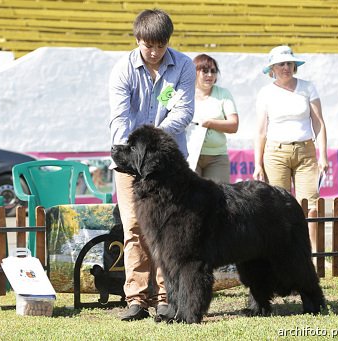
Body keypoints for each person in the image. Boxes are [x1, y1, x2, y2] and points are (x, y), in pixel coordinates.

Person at [108, 9, 196, 321]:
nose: (155, 52)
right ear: (138, 40)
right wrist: (135, 155)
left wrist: (154, 144)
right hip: (130, 164)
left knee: (171, 229)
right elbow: (120, 119)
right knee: (134, 226)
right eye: (149, 46)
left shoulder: (184, 64)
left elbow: (184, 112)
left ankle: (166, 297)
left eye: (161, 45)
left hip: (170, 164)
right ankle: (135, 298)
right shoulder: (122, 69)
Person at [253, 45, 329, 251]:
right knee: (279, 206)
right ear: (272, 69)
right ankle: (283, 255)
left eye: (289, 63)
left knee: (310, 206)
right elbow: (260, 131)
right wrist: (257, 164)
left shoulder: (308, 87)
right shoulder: (265, 92)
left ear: (295, 65)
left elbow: (319, 123)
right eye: (280, 64)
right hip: (275, 153)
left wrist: (323, 155)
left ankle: (312, 255)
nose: (286, 67)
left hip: (306, 151)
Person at [192, 54, 239, 183]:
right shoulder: (184, 92)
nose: (210, 75)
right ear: (194, 72)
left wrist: (210, 123)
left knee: (219, 199)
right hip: (189, 156)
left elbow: (234, 125)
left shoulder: (223, 93)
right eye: (205, 71)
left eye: (213, 71)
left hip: (217, 157)